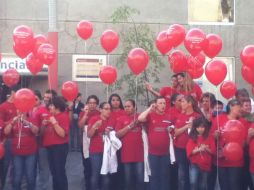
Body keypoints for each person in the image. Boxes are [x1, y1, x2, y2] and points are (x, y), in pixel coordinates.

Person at [210, 99, 248, 190]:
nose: (241, 108)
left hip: (236, 161)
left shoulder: (243, 121)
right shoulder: (219, 118)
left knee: (234, 185)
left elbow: (245, 142)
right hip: (221, 159)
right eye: (239, 106)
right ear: (231, 106)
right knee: (223, 185)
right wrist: (216, 135)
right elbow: (211, 136)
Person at [138, 96, 173, 190]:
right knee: (154, 177)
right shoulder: (151, 115)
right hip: (153, 153)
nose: (163, 105)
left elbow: (173, 131)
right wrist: (150, 108)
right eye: (160, 103)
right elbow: (140, 118)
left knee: (165, 177)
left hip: (165, 153)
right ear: (156, 105)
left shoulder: (168, 116)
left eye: (164, 103)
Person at [4, 110, 39, 190]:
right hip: (17, 153)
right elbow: (6, 132)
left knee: (30, 175)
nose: (20, 112)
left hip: (30, 152)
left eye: (22, 110)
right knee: (17, 175)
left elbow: (36, 131)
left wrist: (27, 123)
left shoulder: (32, 119)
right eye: (18, 110)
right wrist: (12, 122)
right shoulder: (13, 120)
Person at [174, 95, 203, 190]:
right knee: (182, 176)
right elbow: (176, 132)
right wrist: (186, 127)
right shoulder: (180, 116)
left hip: (194, 150)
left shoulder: (198, 116)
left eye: (183, 101)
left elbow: (202, 134)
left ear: (190, 103)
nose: (180, 103)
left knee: (193, 178)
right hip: (180, 149)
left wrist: (193, 125)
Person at [41, 96, 70, 190]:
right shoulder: (50, 117)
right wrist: (43, 125)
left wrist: (54, 123)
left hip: (60, 147)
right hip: (49, 147)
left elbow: (62, 134)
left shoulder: (63, 116)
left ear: (57, 106)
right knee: (54, 172)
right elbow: (42, 133)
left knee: (59, 172)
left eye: (51, 105)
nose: (49, 108)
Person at [115, 99, 144, 190]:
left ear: (134, 107)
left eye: (129, 106)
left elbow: (147, 119)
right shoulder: (121, 119)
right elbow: (117, 134)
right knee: (128, 179)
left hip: (140, 154)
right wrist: (130, 126)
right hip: (126, 154)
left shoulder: (140, 117)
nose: (126, 108)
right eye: (125, 106)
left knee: (140, 179)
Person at [87, 102, 115, 190]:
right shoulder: (94, 119)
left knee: (106, 175)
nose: (108, 111)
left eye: (110, 109)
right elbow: (89, 135)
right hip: (96, 151)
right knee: (95, 175)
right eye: (106, 109)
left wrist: (110, 134)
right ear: (100, 110)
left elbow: (116, 136)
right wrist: (95, 126)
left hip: (108, 152)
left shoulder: (112, 120)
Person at [35, 89, 57, 190]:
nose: (46, 99)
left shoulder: (59, 110)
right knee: (43, 168)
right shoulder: (40, 110)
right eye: (45, 97)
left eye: (49, 97)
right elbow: (37, 130)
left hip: (56, 145)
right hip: (41, 144)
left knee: (52, 169)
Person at [186, 117, 215, 190]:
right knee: (193, 182)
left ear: (205, 127)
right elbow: (189, 152)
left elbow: (213, 151)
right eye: (198, 127)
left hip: (206, 164)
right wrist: (198, 150)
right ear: (195, 128)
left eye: (202, 127)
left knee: (203, 184)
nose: (200, 129)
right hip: (195, 164)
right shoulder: (192, 138)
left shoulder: (210, 137)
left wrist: (206, 148)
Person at [78, 95, 100, 190]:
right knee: (87, 167)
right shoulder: (83, 113)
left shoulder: (99, 113)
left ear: (97, 104)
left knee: (96, 168)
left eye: (94, 103)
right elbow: (80, 125)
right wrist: (86, 114)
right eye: (90, 103)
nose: (92, 105)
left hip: (97, 144)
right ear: (87, 104)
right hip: (85, 144)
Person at [0, 91, 17, 189]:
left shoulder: (21, 105)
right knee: (5, 165)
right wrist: (12, 121)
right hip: (6, 140)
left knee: (17, 165)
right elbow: (2, 124)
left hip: (20, 138)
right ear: (12, 93)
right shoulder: (3, 106)